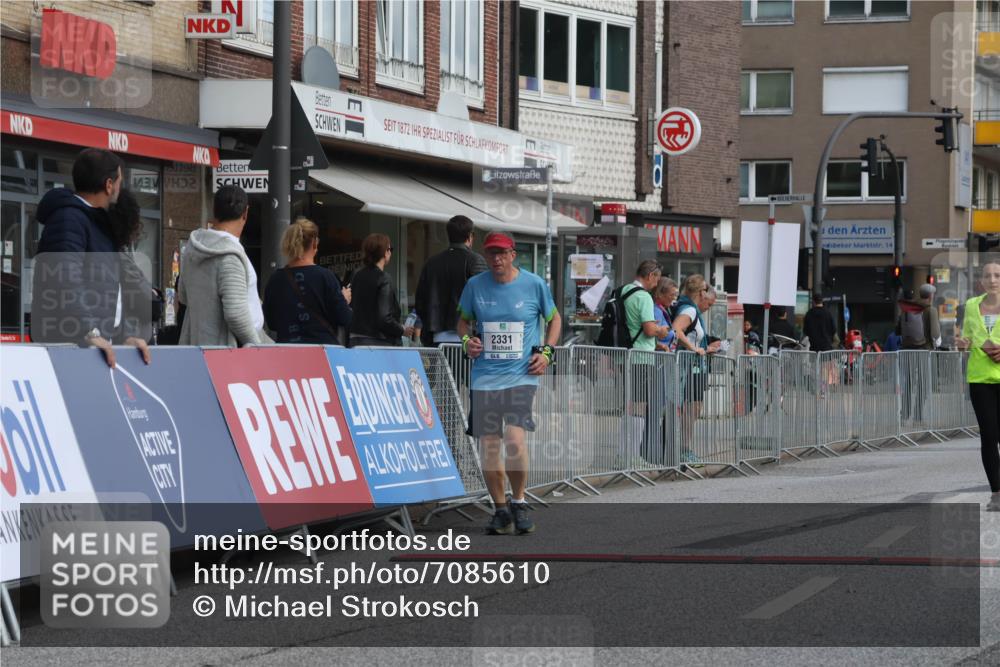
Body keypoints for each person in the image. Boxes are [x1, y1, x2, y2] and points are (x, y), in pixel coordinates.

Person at [457, 232, 561, 535]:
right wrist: (466, 341)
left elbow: (554, 319)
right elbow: (462, 322)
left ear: (513, 255)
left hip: (521, 376)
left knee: (514, 442)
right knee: (489, 446)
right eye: (491, 254)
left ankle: (519, 500)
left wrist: (547, 352)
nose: (497, 259)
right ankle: (500, 510)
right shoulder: (475, 286)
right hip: (485, 377)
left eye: (502, 253)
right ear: (485, 256)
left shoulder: (533, 284)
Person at [31, 148, 149, 368]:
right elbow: (64, 279)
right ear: (108, 185)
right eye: (119, 182)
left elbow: (111, 290)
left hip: (96, 347)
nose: (120, 189)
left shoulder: (98, 223)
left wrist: (124, 335)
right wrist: (89, 331)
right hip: (73, 351)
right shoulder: (70, 219)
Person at [178, 185, 269, 347]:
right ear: (245, 213)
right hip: (231, 349)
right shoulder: (229, 256)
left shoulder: (192, 250)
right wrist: (258, 347)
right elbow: (236, 315)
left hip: (198, 344)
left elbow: (183, 296)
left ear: (214, 210)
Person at [263, 217, 353, 344]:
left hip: (287, 350)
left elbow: (272, 323)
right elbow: (344, 318)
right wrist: (343, 300)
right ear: (315, 243)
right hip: (321, 351)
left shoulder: (275, 280)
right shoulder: (326, 277)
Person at [956, 260, 1000, 512]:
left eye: (997, 275)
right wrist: (964, 343)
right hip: (980, 379)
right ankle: (996, 493)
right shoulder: (972, 306)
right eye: (987, 275)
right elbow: (969, 336)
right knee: (989, 436)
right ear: (981, 281)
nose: (992, 279)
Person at [620, 261, 671, 467]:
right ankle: (631, 456)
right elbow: (649, 329)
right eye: (656, 278)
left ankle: (624, 454)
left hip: (627, 354)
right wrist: (661, 332)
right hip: (641, 358)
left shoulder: (624, 291)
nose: (656, 283)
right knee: (639, 407)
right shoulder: (643, 297)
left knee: (630, 405)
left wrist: (655, 343)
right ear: (650, 275)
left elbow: (633, 327)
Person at [414, 215, 487, 346]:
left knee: (441, 367)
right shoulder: (475, 260)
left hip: (435, 336)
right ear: (470, 237)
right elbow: (483, 299)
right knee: (463, 367)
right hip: (467, 338)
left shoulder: (431, 263)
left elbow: (420, 301)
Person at [672, 276, 722, 464]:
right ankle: (683, 450)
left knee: (692, 409)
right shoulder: (690, 310)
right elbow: (676, 330)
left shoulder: (689, 309)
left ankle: (684, 448)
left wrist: (705, 347)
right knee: (689, 410)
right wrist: (694, 349)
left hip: (693, 366)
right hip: (688, 367)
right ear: (701, 293)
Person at [349, 233, 412, 346]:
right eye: (389, 249)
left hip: (355, 339)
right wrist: (402, 330)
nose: (390, 252)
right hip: (378, 342)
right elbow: (384, 318)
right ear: (385, 252)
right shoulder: (383, 278)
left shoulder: (357, 275)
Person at [897, 285, 941, 350]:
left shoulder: (908, 308)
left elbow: (898, 331)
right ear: (930, 296)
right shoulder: (931, 310)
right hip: (925, 351)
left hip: (907, 351)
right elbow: (935, 334)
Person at [653, 277, 679, 352]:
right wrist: (662, 346)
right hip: (658, 359)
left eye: (675, 295)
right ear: (660, 294)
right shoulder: (656, 310)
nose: (674, 298)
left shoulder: (662, 310)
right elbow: (652, 336)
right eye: (672, 295)